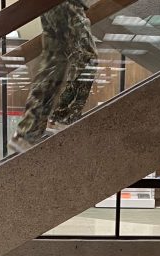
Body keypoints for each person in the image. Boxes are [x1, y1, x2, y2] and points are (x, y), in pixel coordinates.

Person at [9, 0, 97, 153]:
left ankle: (29, 132)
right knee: (86, 57)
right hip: (66, 3)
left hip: (52, 5)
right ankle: (61, 117)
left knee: (55, 61)